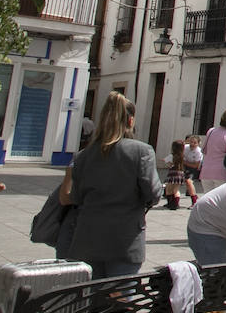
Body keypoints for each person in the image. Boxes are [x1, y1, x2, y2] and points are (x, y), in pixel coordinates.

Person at [65, 91, 161, 278]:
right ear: (131, 121)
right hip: (124, 240)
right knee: (120, 302)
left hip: (87, 238)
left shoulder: (83, 155)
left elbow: (75, 197)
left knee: (90, 300)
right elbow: (153, 194)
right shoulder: (141, 151)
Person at [201, 109, 226, 192]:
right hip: (222, 172)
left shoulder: (211, 131)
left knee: (208, 199)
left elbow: (204, 150)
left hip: (206, 171)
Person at [164, 140, 199, 208]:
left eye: (195, 143)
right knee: (175, 189)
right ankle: (174, 203)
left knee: (170, 189)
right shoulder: (183, 153)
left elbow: (166, 161)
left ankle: (172, 203)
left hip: (175, 173)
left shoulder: (173, 155)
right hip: (181, 172)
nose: (192, 144)